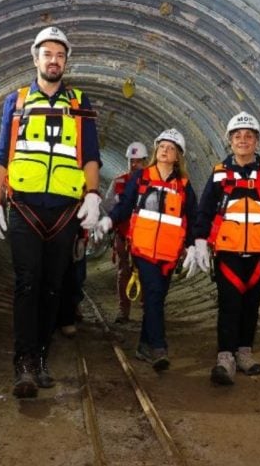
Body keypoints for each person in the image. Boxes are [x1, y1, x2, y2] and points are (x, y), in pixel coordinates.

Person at [0, 26, 101, 399]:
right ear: (35, 58)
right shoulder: (17, 102)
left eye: (60, 55)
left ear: (66, 61)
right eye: (47, 54)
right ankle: (23, 364)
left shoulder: (80, 103)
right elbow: (2, 155)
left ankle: (40, 357)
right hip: (24, 207)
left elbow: (90, 156)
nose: (54, 61)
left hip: (64, 212)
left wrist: (94, 195)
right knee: (27, 282)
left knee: (54, 287)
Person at [185, 111, 260, 386]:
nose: (243, 140)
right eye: (238, 136)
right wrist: (199, 241)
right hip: (227, 253)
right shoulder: (219, 174)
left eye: (248, 136)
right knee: (229, 304)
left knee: (251, 305)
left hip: (258, 253)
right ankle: (225, 357)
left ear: (256, 141)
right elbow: (205, 210)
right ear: (230, 141)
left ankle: (245, 352)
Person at [95, 129, 197, 371]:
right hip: (143, 250)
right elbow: (125, 204)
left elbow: (192, 217)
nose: (165, 150)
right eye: (162, 146)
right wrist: (109, 220)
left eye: (171, 148)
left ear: (177, 156)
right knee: (152, 294)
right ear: (156, 150)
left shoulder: (183, 185)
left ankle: (143, 345)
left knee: (156, 299)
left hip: (169, 254)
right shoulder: (141, 178)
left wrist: (193, 244)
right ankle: (159, 348)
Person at [101, 142, 148, 323]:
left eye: (138, 161)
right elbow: (108, 205)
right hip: (123, 234)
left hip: (145, 236)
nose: (134, 164)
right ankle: (123, 311)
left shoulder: (151, 182)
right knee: (123, 271)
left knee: (146, 272)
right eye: (131, 161)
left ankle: (147, 309)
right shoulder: (119, 182)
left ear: (145, 161)